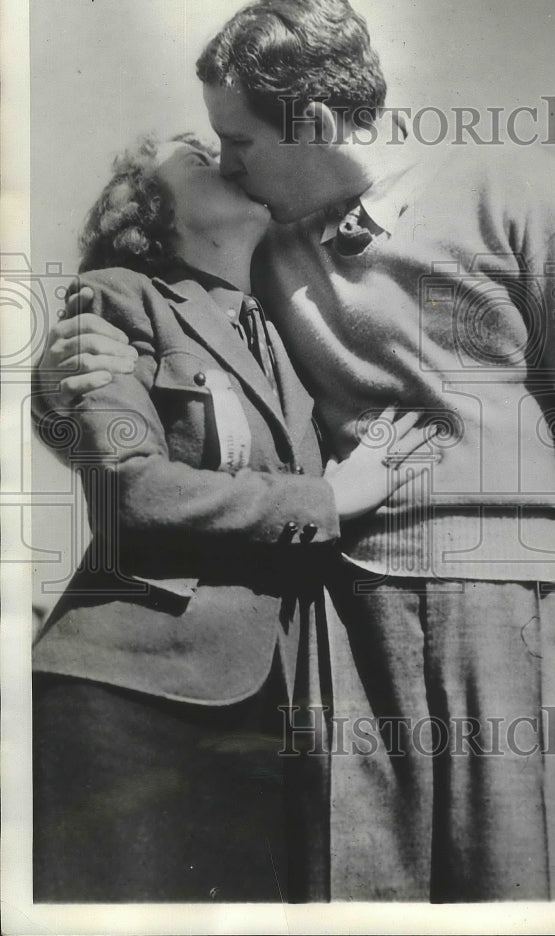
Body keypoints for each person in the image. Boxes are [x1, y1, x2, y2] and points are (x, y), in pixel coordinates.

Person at [37, 0, 555, 902]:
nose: (230, 166)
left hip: (519, 621)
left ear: (315, 121)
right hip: (339, 629)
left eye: (240, 141)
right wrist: (67, 371)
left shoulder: (518, 191)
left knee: (531, 900)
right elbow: (136, 366)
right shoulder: (255, 247)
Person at [31, 132, 434, 902]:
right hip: (124, 694)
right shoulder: (118, 296)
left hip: (266, 711)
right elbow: (133, 493)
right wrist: (327, 499)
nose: (224, 155)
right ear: (147, 212)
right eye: (193, 152)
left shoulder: (288, 333)